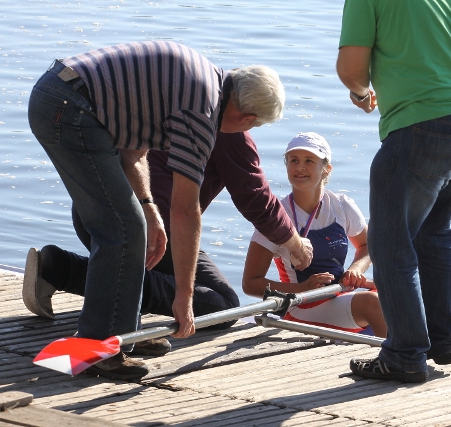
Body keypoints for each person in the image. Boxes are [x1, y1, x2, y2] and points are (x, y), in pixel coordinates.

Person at [26, 40, 306, 380]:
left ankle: (122, 332)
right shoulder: (202, 114)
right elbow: (185, 210)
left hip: (64, 92)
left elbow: (133, 152)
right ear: (246, 118)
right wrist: (183, 297)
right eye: (252, 127)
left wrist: (148, 207)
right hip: (69, 105)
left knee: (133, 227)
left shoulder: (202, 80)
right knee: (125, 230)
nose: (248, 132)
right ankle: (98, 348)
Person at [23, 130, 312, 352]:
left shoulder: (178, 102)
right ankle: (66, 272)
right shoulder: (231, 132)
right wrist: (296, 244)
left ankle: (62, 268)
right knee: (222, 307)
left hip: (93, 209)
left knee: (215, 297)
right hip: (146, 229)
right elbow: (256, 199)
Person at [336, 1, 451, 383]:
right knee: (434, 230)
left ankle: (405, 354)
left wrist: (361, 93)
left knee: (390, 243)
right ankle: (444, 341)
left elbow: (352, 70)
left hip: (422, 128)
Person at [242, 132, 386, 337]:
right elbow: (250, 283)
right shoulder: (275, 217)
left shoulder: (341, 205)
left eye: (309, 161)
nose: (300, 167)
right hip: (301, 306)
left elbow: (367, 246)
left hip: (337, 294)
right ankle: (395, 354)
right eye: (294, 160)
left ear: (326, 169)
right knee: (373, 303)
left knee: (397, 293)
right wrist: (302, 288)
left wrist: (355, 269)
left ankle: (397, 348)